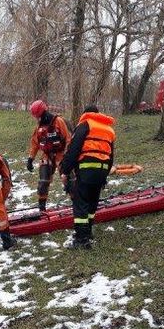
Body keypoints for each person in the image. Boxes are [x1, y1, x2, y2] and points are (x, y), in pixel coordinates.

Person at [60, 105, 115, 249]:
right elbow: (111, 155)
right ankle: (88, 232)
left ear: (86, 114)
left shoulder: (85, 125)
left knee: (81, 203)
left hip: (86, 170)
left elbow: (74, 149)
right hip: (102, 171)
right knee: (92, 202)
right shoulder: (109, 130)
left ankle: (81, 240)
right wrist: (104, 174)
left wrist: (65, 170)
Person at [27, 100, 72, 211]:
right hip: (47, 155)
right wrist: (30, 158)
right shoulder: (39, 127)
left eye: (37, 116)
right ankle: (42, 206)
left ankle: (76, 202)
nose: (36, 119)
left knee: (69, 180)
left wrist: (67, 155)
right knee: (43, 181)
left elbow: (68, 139)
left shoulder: (58, 121)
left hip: (61, 154)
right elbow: (35, 143)